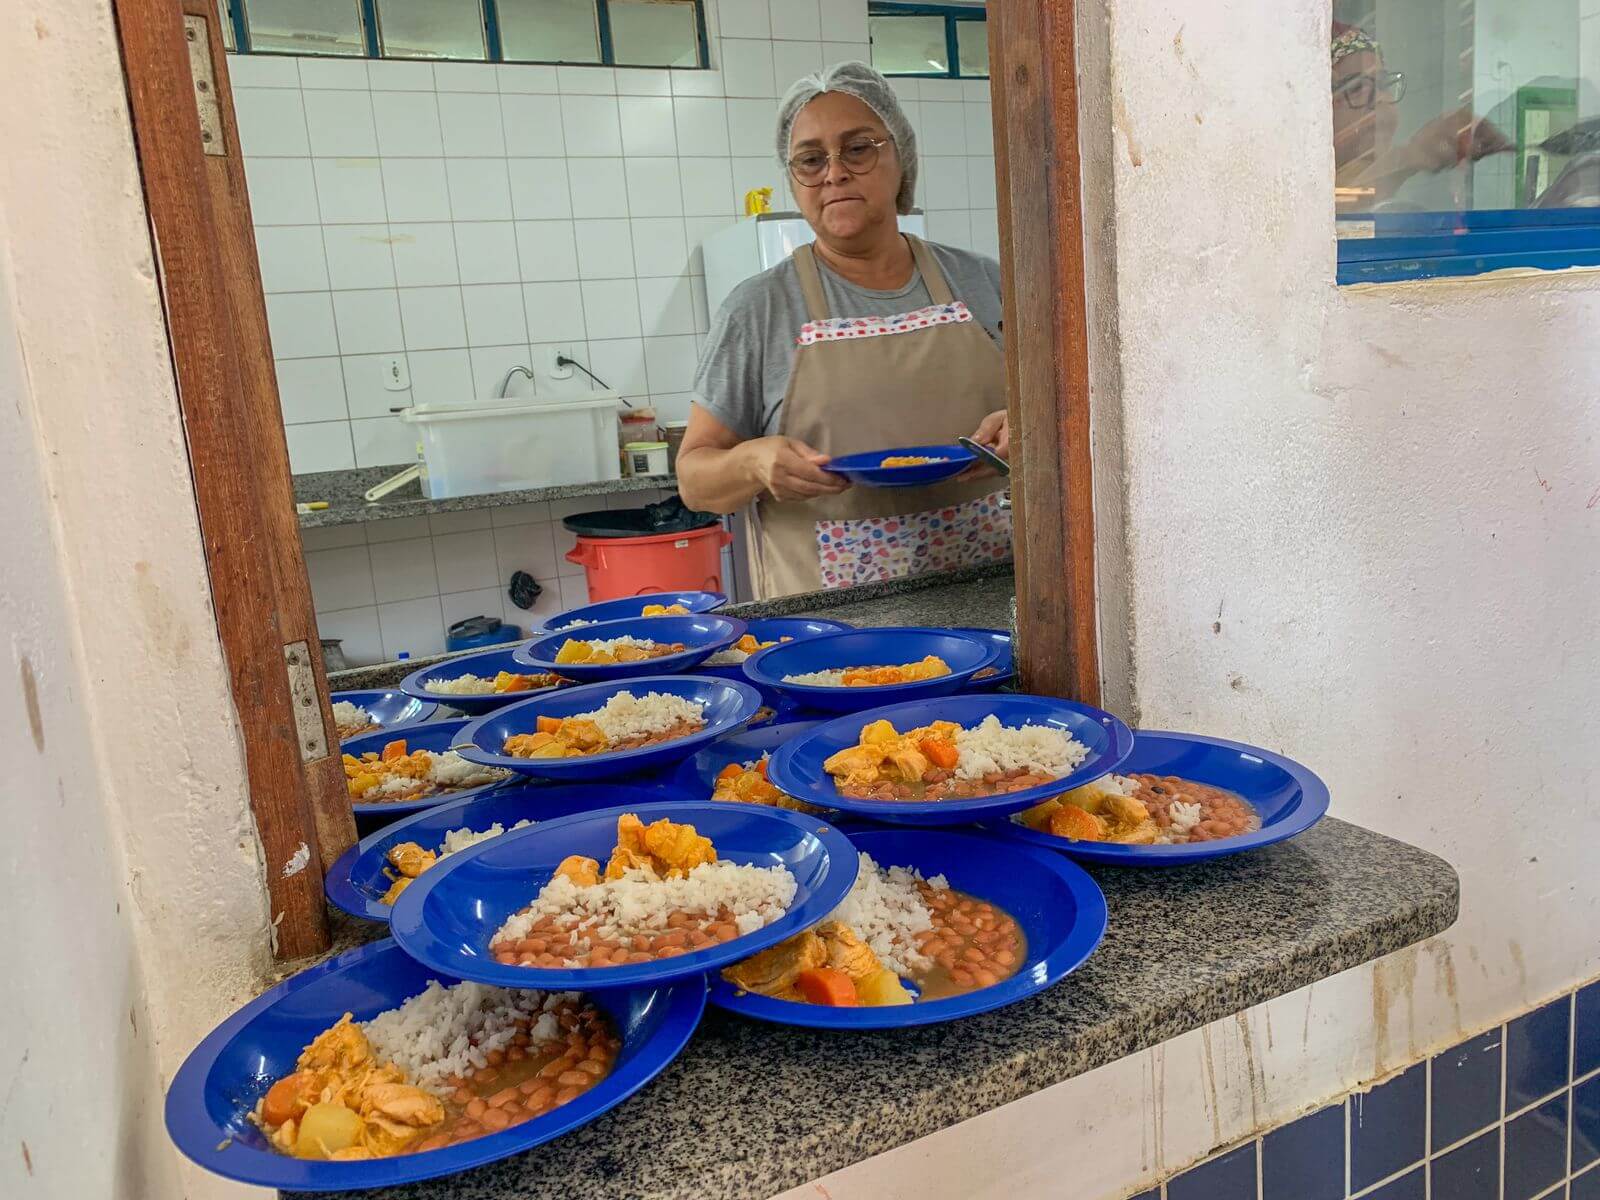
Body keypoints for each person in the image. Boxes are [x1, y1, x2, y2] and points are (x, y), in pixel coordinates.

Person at [675, 61, 1011, 598]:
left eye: (858, 148)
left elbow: (1064, 416)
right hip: (831, 644)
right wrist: (754, 462)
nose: (834, 173)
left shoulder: (985, 280)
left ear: (901, 158)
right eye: (810, 159)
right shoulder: (757, 309)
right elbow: (694, 480)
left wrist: (1028, 431)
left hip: (996, 601)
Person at [1332, 21, 1509, 212]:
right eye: (1357, 87)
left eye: (1383, 84)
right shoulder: (1306, 185)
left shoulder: (1408, 192)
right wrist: (1412, 155)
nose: (1381, 99)